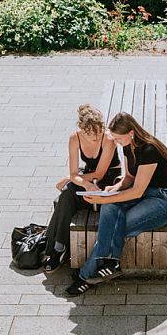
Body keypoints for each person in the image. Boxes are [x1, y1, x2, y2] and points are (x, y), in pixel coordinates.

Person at [65, 112, 167, 296]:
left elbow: (137, 191)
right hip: (144, 192)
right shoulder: (128, 146)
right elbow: (129, 178)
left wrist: (103, 198)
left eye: (119, 138)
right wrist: (114, 188)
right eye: (115, 138)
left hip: (165, 199)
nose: (116, 142)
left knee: (113, 227)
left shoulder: (149, 150)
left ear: (132, 132)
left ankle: (85, 277)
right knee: (110, 210)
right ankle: (111, 264)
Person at [42, 105, 121, 273]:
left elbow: (99, 174)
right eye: (90, 133)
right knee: (66, 195)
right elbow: (73, 173)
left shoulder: (108, 139)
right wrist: (79, 181)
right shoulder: (74, 138)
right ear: (81, 130)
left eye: (98, 132)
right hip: (88, 177)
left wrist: (71, 179)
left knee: (63, 197)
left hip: (108, 179)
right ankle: (59, 248)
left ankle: (55, 247)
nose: (94, 137)